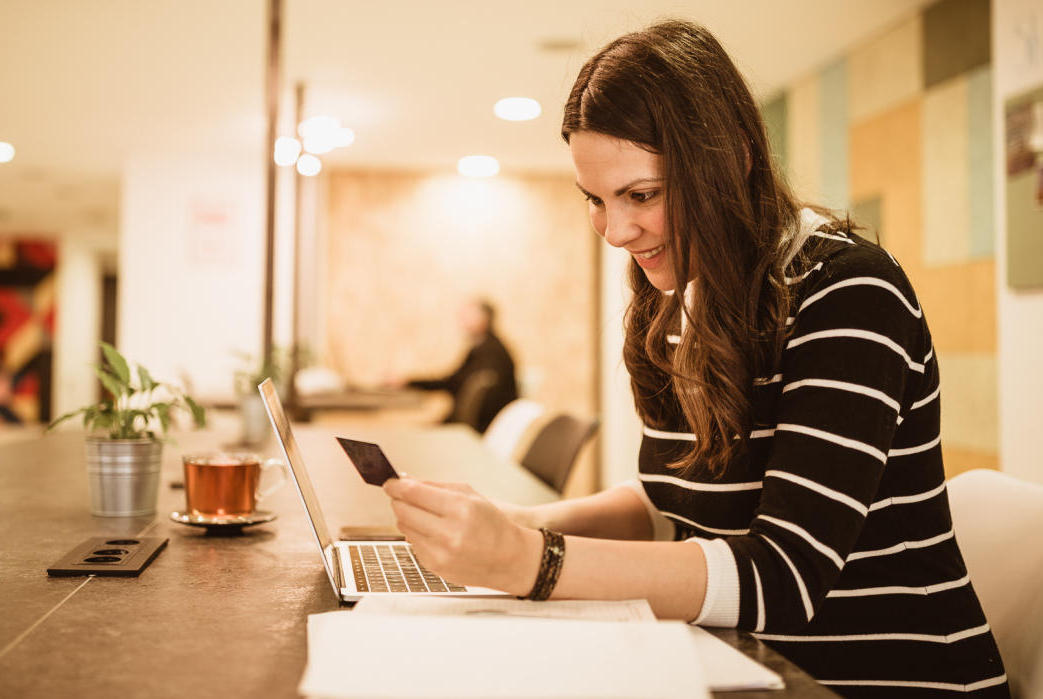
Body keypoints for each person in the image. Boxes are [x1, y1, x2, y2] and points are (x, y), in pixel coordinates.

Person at [383, 19, 1009, 698]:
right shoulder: (674, 294)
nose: (617, 232)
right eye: (595, 199)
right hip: (746, 665)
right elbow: (669, 504)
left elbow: (783, 578)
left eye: (641, 195)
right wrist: (519, 525)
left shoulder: (849, 291)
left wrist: (535, 561)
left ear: (732, 159)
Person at [404, 297, 518, 433]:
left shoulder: (490, 352)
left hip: (483, 428)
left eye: (469, 315)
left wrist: (410, 382)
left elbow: (457, 386)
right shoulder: (485, 346)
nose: (462, 319)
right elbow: (456, 382)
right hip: (478, 425)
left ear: (484, 319)